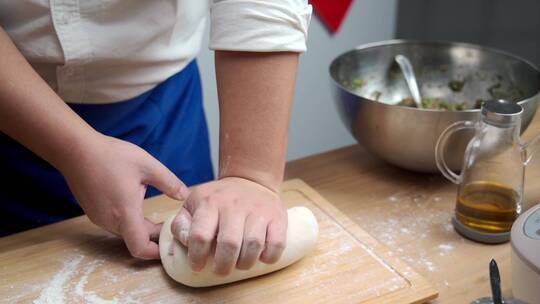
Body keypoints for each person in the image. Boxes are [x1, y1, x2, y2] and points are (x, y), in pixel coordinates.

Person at [0, 1, 312, 275]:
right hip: (12, 115)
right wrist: (75, 149)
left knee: (198, 244)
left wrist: (251, 175)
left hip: (163, 119)